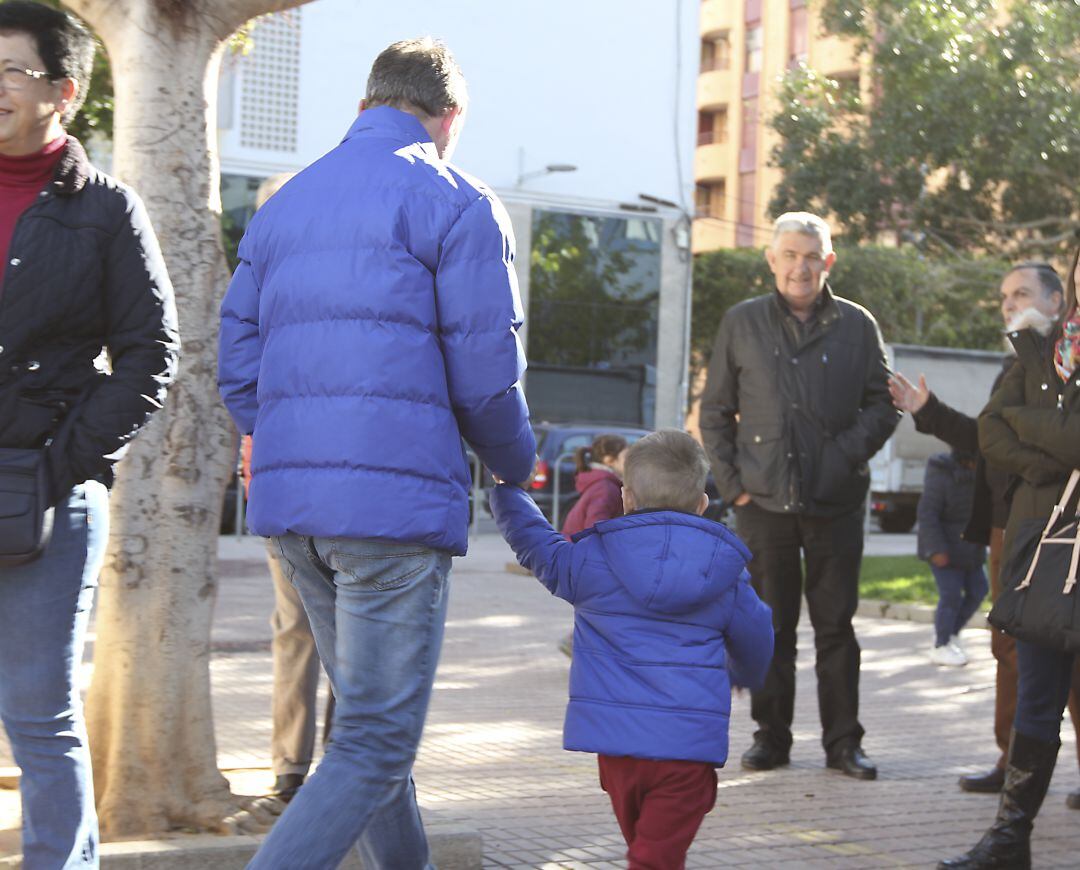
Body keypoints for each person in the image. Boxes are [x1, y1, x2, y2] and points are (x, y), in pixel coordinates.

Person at [218, 37, 535, 869]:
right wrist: (514, 466)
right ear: (449, 117)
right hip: (391, 519)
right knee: (373, 745)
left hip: (295, 520)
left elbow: (237, 367)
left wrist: (293, 441)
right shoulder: (459, 202)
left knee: (370, 741)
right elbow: (486, 374)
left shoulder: (284, 206)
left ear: (363, 106)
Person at [0, 2, 179, 867]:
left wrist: (60, 463)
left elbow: (153, 353)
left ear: (63, 93)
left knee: (38, 713)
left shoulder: (107, 208)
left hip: (45, 499)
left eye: (11, 70)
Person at [490, 430, 774, 868]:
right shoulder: (724, 572)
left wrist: (509, 493)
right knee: (655, 857)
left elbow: (536, 544)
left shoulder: (589, 561)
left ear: (626, 499)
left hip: (617, 750)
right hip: (687, 753)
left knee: (645, 851)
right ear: (702, 504)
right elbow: (758, 637)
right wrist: (742, 674)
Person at [700, 211, 900, 780]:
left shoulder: (858, 325)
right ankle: (771, 738)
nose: (800, 266)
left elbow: (884, 404)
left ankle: (844, 745)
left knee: (836, 628)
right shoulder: (742, 323)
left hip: (836, 503)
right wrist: (735, 488)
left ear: (828, 261)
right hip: (762, 504)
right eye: (790, 254)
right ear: (772, 260)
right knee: (771, 630)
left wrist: (842, 457)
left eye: (811, 256)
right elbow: (715, 412)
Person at [889, 262, 1080, 801]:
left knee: (1066, 648)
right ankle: (1010, 759)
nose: (1009, 303)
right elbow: (986, 436)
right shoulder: (1018, 361)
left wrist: (1029, 446)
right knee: (1011, 649)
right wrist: (928, 412)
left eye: (1021, 293)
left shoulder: (1058, 360)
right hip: (1009, 526)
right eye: (1003, 295)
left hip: (1063, 524)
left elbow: (1055, 436)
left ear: (1055, 297)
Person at [939, 246, 1080, 869]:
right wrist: (1052, 457)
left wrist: (1042, 431)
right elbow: (991, 430)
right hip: (1044, 542)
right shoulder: (1041, 347)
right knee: (1037, 694)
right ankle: (1008, 840)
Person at [917, 450, 988, 667]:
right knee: (951, 595)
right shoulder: (941, 473)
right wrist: (935, 549)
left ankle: (953, 633)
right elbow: (928, 513)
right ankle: (941, 644)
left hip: (970, 548)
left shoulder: (980, 475)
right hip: (943, 549)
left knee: (979, 590)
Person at [561, 433, 628, 540]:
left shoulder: (603, 484)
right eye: (626, 457)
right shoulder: (605, 489)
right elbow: (594, 530)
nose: (629, 462)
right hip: (581, 552)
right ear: (609, 460)